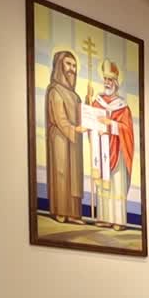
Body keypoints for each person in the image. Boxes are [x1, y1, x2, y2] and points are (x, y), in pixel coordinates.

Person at [90, 60, 135, 230]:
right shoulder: (97, 102)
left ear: (116, 82)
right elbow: (91, 122)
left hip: (118, 149)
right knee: (103, 184)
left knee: (117, 184)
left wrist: (110, 123)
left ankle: (118, 220)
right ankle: (104, 217)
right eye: (105, 79)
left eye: (111, 79)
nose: (107, 83)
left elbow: (127, 130)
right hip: (101, 148)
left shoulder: (123, 107)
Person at [46, 50, 85, 224]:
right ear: (60, 65)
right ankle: (60, 210)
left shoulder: (75, 96)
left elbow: (81, 116)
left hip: (74, 139)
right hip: (60, 139)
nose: (72, 69)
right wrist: (73, 130)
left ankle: (74, 213)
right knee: (62, 173)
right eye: (68, 64)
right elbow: (59, 118)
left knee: (74, 176)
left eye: (74, 65)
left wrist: (88, 104)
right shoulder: (55, 91)